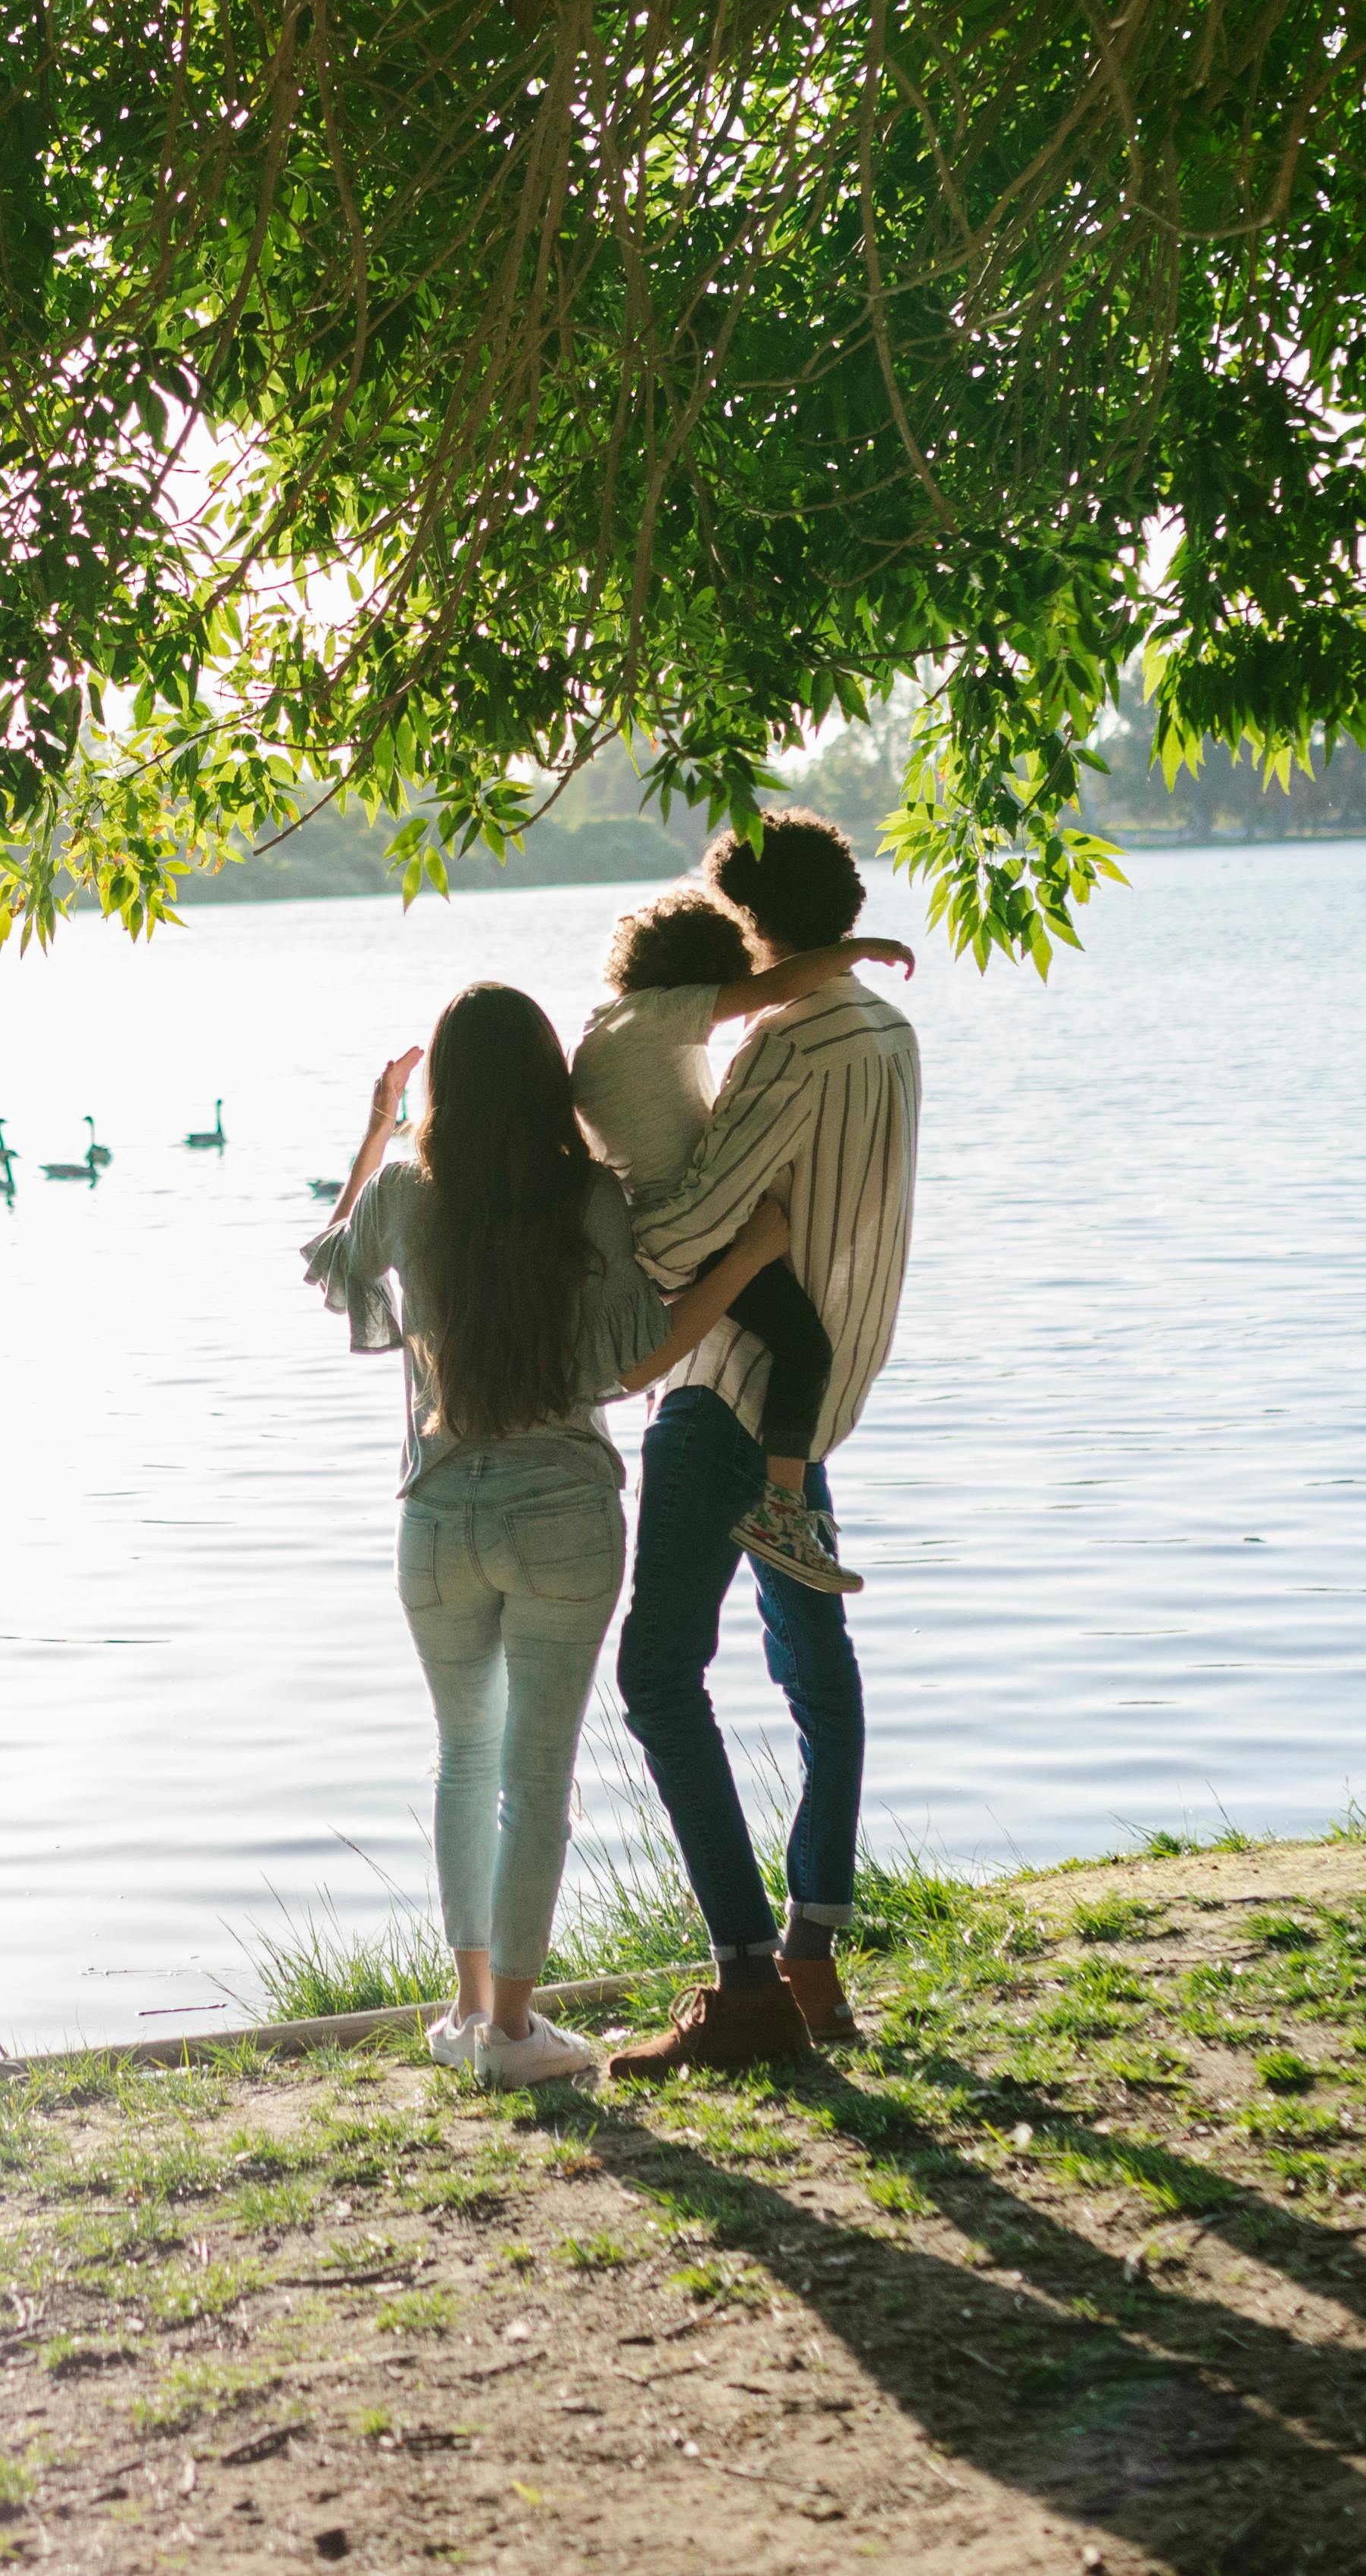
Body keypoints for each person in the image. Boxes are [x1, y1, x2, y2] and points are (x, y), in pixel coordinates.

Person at [306, 984, 794, 2089]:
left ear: (442, 1092)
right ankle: (516, 2033)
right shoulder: (587, 1195)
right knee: (532, 1770)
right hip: (561, 1513)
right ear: (548, 1079)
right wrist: (753, 1250)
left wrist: (377, 1128)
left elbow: (335, 1260)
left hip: (434, 1519)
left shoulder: (405, 1190)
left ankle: (468, 2010)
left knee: (462, 1757)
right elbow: (636, 1360)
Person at [607, 812, 924, 2076]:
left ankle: (744, 1981)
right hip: (813, 1394)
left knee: (654, 1675)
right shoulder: (888, 1033)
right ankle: (809, 1955)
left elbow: (689, 1231)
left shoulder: (788, 1045)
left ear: (751, 928)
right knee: (813, 1665)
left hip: (719, 1394)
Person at [573, 890, 916, 1595]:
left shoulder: (608, 1029)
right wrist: (856, 952)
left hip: (670, 1229)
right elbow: (776, 986)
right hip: (695, 1235)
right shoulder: (656, 1015)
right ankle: (783, 1508)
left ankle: (786, 1506)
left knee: (786, 1342)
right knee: (806, 1346)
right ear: (699, 978)